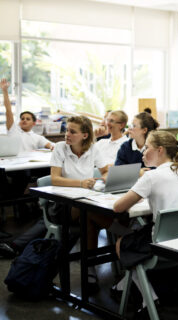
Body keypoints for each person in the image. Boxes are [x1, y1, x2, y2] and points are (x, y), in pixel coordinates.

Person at [113, 131, 178, 267]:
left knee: (121, 242)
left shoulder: (151, 176)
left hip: (161, 242)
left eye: (147, 148)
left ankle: (133, 284)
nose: (143, 151)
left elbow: (118, 207)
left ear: (160, 150)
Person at [49, 115, 111, 288]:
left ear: (84, 135)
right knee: (88, 212)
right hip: (63, 205)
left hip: (87, 200)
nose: (67, 134)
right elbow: (55, 179)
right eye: (67, 130)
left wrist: (102, 179)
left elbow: (105, 171)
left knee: (89, 220)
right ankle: (120, 232)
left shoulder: (93, 148)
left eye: (72, 132)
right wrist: (82, 183)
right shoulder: (60, 148)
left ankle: (89, 270)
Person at [2, 78, 53, 151]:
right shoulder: (13, 130)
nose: (24, 120)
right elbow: (8, 111)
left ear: (34, 123)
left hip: (28, 161)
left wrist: (51, 147)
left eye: (28, 119)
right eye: (22, 118)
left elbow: (51, 145)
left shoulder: (37, 137)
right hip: (13, 161)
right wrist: (5, 91)